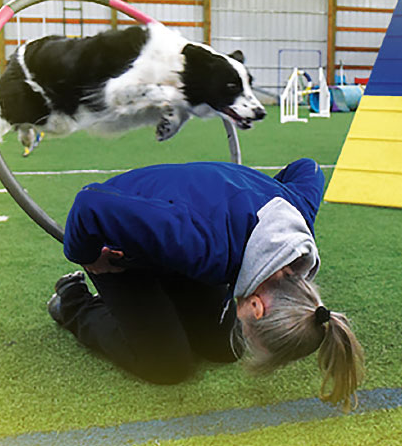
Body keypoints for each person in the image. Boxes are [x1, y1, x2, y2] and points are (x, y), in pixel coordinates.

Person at [47, 158, 364, 411]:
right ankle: (73, 301)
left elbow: (306, 168)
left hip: (182, 244)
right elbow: (89, 206)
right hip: (119, 245)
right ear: (255, 306)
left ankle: (159, 305)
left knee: (224, 348)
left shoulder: (299, 219)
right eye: (252, 335)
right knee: (166, 364)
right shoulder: (201, 243)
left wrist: (260, 188)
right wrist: (87, 256)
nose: (247, 339)